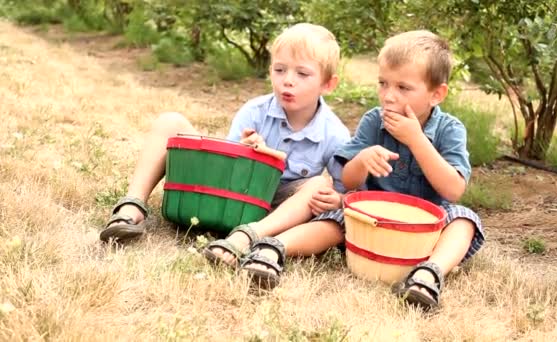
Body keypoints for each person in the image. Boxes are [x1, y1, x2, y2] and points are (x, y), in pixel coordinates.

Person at [100, 23, 350, 288]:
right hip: (236, 194)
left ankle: (249, 236)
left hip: (278, 210)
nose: (288, 80)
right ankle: (132, 207)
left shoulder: (335, 133)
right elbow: (227, 171)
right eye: (279, 70)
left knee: (319, 184)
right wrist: (246, 151)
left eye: (303, 74)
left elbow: (344, 195)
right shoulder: (255, 111)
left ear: (328, 84)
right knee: (170, 121)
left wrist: (335, 198)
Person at [318, 30, 486, 310]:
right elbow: (347, 180)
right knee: (337, 213)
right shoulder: (374, 120)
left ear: (436, 94)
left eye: (403, 88)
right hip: (374, 222)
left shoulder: (450, 130)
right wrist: (362, 160)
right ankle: (276, 247)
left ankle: (429, 273)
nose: (388, 96)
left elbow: (454, 190)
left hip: (427, 230)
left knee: (464, 221)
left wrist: (416, 139)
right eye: (383, 84)